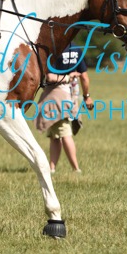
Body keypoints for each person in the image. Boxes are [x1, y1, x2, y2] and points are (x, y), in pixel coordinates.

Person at [35, 45, 95, 174]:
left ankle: (76, 169)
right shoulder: (76, 50)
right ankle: (52, 168)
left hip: (56, 95)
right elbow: (84, 77)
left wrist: (67, 78)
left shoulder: (54, 49)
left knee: (64, 133)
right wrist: (86, 97)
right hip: (71, 93)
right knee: (55, 135)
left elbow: (50, 77)